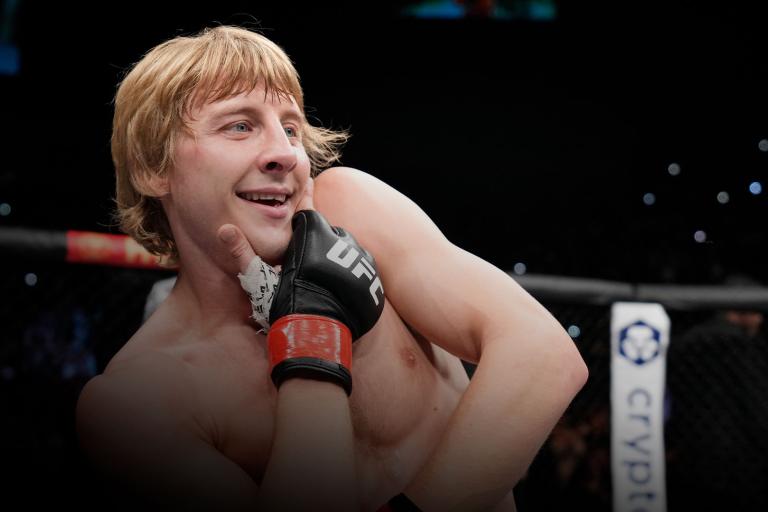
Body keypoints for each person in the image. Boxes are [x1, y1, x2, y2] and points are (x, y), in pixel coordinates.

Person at [75, 24, 588, 511]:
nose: (284, 153)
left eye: (291, 128)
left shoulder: (349, 209)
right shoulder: (137, 405)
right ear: (152, 167)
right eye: (239, 125)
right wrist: (312, 329)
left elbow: (544, 356)